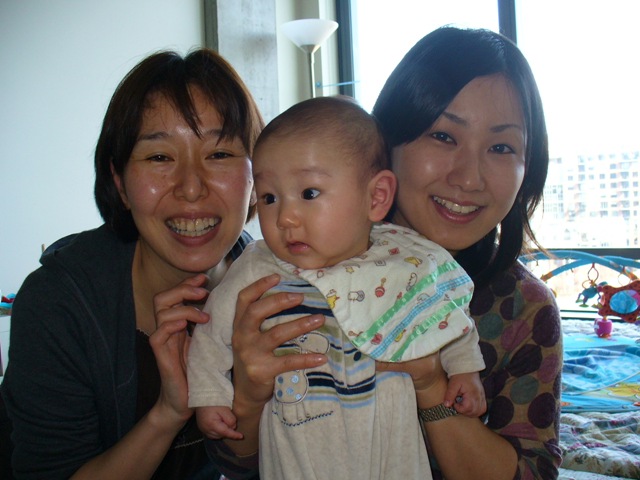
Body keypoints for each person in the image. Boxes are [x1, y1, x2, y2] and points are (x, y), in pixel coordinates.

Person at [204, 26, 563, 480]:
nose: (469, 178)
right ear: (387, 142)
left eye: (500, 147)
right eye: (443, 136)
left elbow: (533, 471)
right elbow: (233, 464)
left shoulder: (524, 310)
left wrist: (431, 386)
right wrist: (249, 397)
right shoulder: (286, 269)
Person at [187, 96, 486, 479]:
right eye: (269, 198)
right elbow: (210, 332)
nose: (285, 217)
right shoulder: (258, 267)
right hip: (298, 448)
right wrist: (210, 395)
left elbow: (445, 315)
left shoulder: (405, 261)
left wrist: (464, 369)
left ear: (376, 197)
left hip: (389, 446)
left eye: (309, 193)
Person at [0, 49, 265, 479]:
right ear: (119, 183)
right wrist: (169, 412)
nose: (191, 188)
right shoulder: (58, 305)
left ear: (257, 178)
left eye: (219, 154)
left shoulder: (277, 287)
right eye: (159, 157)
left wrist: (251, 399)